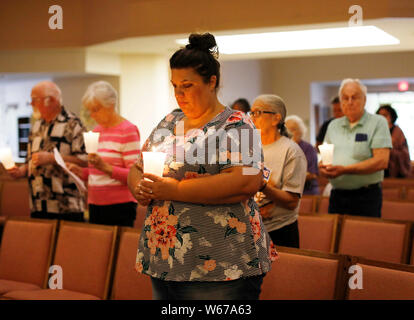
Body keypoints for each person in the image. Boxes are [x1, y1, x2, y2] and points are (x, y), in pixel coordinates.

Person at [127, 33, 277, 300]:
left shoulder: (237, 124)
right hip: (166, 257)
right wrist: (139, 187)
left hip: (220, 261)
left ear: (212, 82)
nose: (179, 94)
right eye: (174, 85)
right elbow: (137, 167)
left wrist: (172, 189)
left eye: (187, 85)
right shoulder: (170, 121)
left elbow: (246, 182)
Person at [7, 81, 87, 221]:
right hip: (38, 204)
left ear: (52, 100)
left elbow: (84, 161)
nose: (31, 104)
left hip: (66, 205)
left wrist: (52, 158)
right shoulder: (36, 126)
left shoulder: (73, 124)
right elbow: (30, 161)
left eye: (34, 99)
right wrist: (21, 171)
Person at [67, 81, 141, 227]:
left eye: (96, 109)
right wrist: (82, 172)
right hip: (95, 202)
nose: (93, 115)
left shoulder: (128, 130)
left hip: (120, 205)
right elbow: (96, 172)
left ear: (111, 104)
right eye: (90, 110)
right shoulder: (96, 132)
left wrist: (103, 166)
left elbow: (134, 175)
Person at [319, 78, 392, 218]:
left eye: (355, 97)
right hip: (337, 195)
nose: (350, 102)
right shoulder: (333, 126)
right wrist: (322, 167)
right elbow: (325, 157)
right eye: (345, 98)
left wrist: (345, 170)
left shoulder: (378, 122)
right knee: (336, 238)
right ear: (341, 102)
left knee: (363, 237)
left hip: (365, 196)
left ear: (364, 100)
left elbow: (382, 161)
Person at [250, 95, 307, 248]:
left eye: (258, 112)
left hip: (279, 232)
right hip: (251, 229)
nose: (253, 118)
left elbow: (291, 202)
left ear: (276, 119)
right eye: (251, 113)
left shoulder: (291, 151)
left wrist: (262, 186)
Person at [285, 115, 320, 195]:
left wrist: (289, 178)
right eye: (287, 129)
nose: (290, 133)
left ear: (300, 131)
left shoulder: (308, 148)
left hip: (306, 191)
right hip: (287, 191)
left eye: (293, 129)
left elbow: (312, 174)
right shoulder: (283, 148)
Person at [376, 104, 411, 178]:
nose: (382, 118)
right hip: (379, 168)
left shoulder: (398, 132)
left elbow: (404, 153)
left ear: (391, 116)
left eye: (385, 115)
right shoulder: (376, 131)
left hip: (395, 169)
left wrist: (389, 151)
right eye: (380, 115)